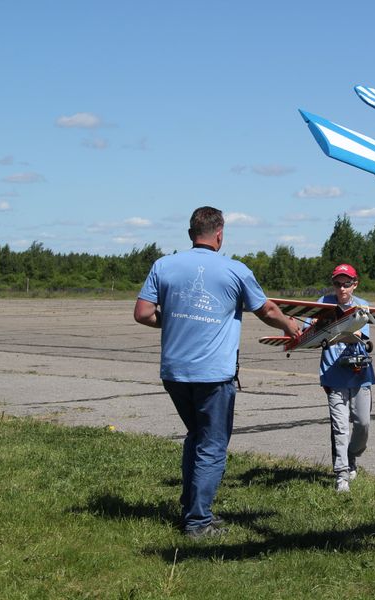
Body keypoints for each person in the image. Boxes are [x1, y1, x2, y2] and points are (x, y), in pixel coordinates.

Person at [133, 206, 301, 538]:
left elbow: (142, 313)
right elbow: (265, 309)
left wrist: (176, 318)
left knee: (195, 437)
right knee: (211, 444)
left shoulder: (163, 265)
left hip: (174, 372)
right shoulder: (235, 270)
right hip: (213, 375)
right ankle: (198, 523)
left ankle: (191, 508)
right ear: (220, 233)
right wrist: (289, 324)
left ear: (190, 233)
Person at [314, 263, 375, 493]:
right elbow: (308, 328)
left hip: (359, 373)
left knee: (363, 424)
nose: (341, 288)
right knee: (340, 427)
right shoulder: (322, 303)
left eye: (346, 284)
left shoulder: (363, 305)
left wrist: (345, 334)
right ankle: (341, 475)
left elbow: (361, 335)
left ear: (354, 284)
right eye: (337, 284)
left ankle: (352, 456)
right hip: (333, 373)